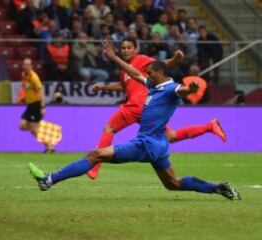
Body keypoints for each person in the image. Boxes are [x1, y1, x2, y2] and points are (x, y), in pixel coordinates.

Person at [29, 42, 241, 201]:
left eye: (150, 73)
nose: (146, 76)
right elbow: (133, 73)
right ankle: (218, 188)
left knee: (95, 154)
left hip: (146, 144)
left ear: (160, 72)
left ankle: (49, 180)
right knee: (173, 184)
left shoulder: (170, 88)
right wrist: (114, 59)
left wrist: (190, 89)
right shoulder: (153, 85)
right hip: (158, 145)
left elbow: (181, 90)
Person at [86, 37, 226, 180]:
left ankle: (94, 167)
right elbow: (123, 86)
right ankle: (210, 127)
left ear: (136, 49)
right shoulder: (124, 71)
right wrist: (103, 86)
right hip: (149, 109)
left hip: (137, 105)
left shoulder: (140, 60)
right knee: (170, 136)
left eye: (129, 47)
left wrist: (174, 59)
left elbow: (160, 66)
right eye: (123, 48)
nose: (126, 50)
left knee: (109, 129)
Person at [19, 58, 54, 153]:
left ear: (31, 66)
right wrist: (23, 98)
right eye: (24, 65)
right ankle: (49, 144)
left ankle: (49, 146)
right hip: (29, 105)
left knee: (34, 129)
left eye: (28, 65)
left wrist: (42, 107)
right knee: (22, 125)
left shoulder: (34, 77)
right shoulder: (23, 75)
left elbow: (41, 90)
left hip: (36, 105)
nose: (25, 67)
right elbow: (27, 89)